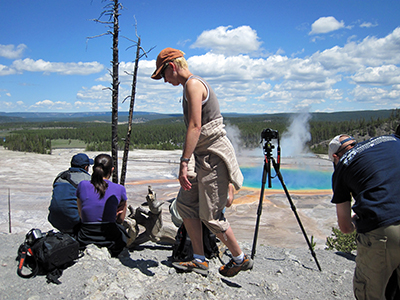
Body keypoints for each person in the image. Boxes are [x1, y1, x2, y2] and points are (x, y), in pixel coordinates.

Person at [151, 47, 253, 277]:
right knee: (186, 204)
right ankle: (199, 259)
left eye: (163, 75)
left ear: (172, 67)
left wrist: (183, 163)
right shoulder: (189, 86)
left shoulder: (193, 85)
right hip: (202, 157)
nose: (165, 81)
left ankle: (239, 258)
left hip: (211, 158)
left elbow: (196, 126)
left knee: (210, 216)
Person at [328, 134, 400, 300]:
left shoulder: (343, 165)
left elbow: (345, 228)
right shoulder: (390, 140)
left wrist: (355, 221)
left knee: (368, 292)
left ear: (335, 157)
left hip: (384, 230)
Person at [76, 154, 128, 257]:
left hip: (85, 237)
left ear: (94, 168)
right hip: (110, 239)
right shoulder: (119, 189)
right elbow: (121, 219)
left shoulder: (82, 185)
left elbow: (81, 214)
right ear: (112, 170)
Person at [48, 153, 93, 235]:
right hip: (74, 219)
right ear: (86, 167)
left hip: (54, 218)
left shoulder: (60, 176)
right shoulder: (88, 179)